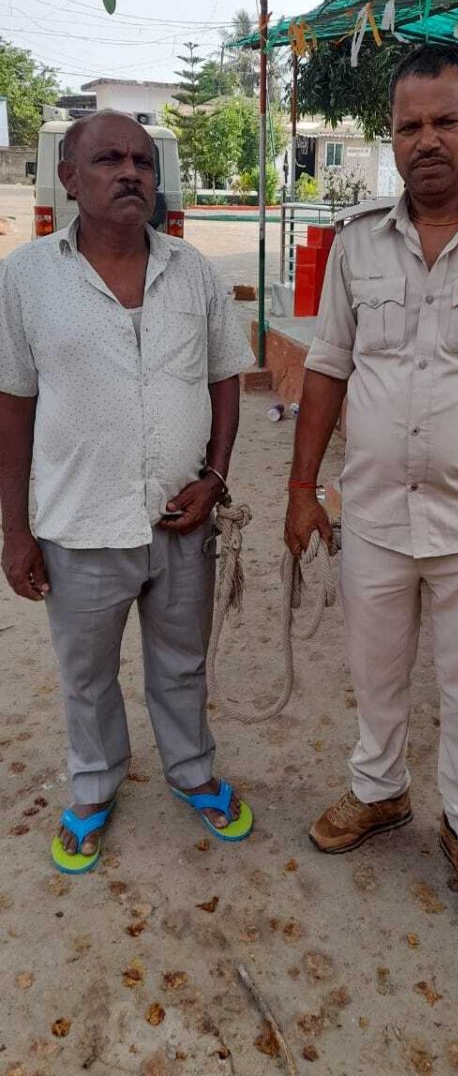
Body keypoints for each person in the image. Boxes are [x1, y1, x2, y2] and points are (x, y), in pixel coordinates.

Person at [285, 44, 458, 918]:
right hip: (375, 514)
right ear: (390, 136)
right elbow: (327, 368)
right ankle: (380, 789)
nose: (426, 140)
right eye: (408, 126)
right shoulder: (358, 241)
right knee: (375, 670)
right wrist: (300, 490)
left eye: (445, 121)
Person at [0, 111, 255, 874]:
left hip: (181, 517)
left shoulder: (193, 272)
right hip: (79, 523)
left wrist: (214, 478)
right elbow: (12, 404)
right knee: (87, 676)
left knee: (181, 665)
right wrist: (15, 531)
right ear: (69, 178)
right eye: (108, 159)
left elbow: (226, 377)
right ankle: (93, 785)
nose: (130, 172)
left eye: (143, 160)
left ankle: (192, 772)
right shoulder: (27, 277)